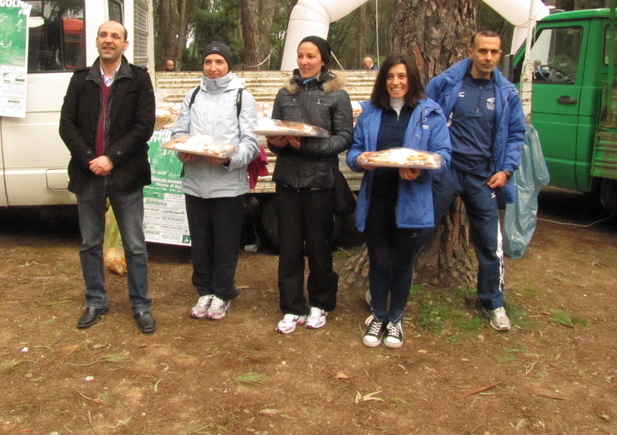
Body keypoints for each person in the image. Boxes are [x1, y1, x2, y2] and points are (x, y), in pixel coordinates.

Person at [59, 20, 157, 333]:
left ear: (125, 44)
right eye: (104, 35)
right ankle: (96, 301)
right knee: (90, 243)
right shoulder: (80, 80)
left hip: (126, 174)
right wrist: (91, 160)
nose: (109, 40)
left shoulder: (138, 79)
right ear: (97, 41)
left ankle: (141, 305)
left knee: (135, 245)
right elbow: (67, 126)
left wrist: (111, 159)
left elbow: (144, 127)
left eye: (115, 36)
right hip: (88, 175)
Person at [347, 54, 451, 348]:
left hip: (412, 199)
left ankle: (396, 319)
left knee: (403, 262)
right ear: (383, 80)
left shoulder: (430, 112)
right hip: (376, 197)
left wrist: (420, 167)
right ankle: (378, 315)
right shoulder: (370, 113)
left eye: (402, 76)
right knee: (379, 260)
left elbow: (443, 156)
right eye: (390, 76)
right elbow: (354, 151)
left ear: (412, 79)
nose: (396, 82)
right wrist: (362, 160)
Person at [425, 31, 526, 331]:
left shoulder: (507, 93)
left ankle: (492, 302)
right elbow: (424, 115)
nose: (488, 57)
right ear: (471, 51)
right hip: (446, 171)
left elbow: (516, 136)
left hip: (485, 177)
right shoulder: (447, 84)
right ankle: (390, 288)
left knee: (489, 243)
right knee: (416, 228)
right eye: (483, 51)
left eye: (494, 52)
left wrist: (506, 170)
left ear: (500, 53)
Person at [267, 36, 354, 334]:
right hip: (287, 181)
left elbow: (344, 137)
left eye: (311, 56)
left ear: (323, 59)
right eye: (300, 56)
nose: (304, 62)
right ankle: (292, 307)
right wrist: (276, 142)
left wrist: (307, 147)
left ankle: (321, 303)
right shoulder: (285, 93)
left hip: (320, 182)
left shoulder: (336, 95)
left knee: (319, 247)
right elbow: (274, 133)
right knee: (289, 248)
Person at [171, 42, 260, 320]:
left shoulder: (242, 97)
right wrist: (182, 150)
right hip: (195, 182)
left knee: (225, 241)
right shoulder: (193, 95)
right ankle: (204, 291)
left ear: (229, 65)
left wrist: (227, 159)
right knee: (200, 241)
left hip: (228, 184)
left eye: (219, 62)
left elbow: (251, 143)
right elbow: (179, 131)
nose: (213, 67)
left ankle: (222, 293)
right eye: (208, 61)